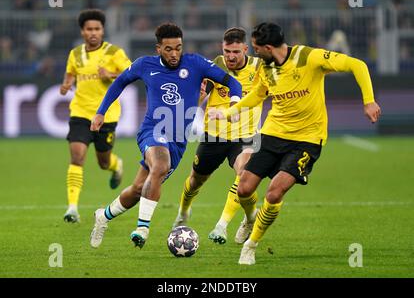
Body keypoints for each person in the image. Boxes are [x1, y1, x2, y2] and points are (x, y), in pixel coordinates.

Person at [209, 22, 381, 265]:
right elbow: (258, 93)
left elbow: (357, 64)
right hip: (273, 134)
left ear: (268, 47)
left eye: (256, 48)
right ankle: (249, 220)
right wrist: (228, 113)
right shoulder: (267, 67)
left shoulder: (309, 57)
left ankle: (251, 245)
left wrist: (369, 101)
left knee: (275, 191)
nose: (254, 53)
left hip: (307, 139)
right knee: (244, 189)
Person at [89, 23, 242, 249]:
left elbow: (233, 82)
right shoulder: (144, 65)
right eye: (169, 49)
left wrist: (234, 103)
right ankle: (142, 227)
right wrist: (101, 112)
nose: (174, 54)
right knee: (160, 164)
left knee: (140, 188)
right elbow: (119, 82)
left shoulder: (196, 63)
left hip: (179, 140)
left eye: (178, 48)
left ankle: (103, 216)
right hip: (153, 130)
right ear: (158, 48)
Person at [172, 27, 264, 245]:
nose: (230, 56)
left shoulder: (260, 68)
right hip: (214, 135)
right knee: (196, 181)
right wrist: (198, 98)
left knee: (244, 176)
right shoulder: (217, 65)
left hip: (246, 135)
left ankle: (224, 225)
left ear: (245, 49)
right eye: (227, 51)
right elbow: (200, 94)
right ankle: (184, 211)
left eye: (235, 52)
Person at [60, 9, 131, 223]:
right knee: (77, 156)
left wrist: (110, 75)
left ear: (102, 31)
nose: (93, 33)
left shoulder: (114, 53)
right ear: (82, 31)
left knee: (103, 162)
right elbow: (70, 73)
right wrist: (66, 84)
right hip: (80, 112)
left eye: (97, 29)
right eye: (89, 29)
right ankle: (72, 208)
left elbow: (131, 74)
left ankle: (115, 165)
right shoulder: (75, 54)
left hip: (106, 116)